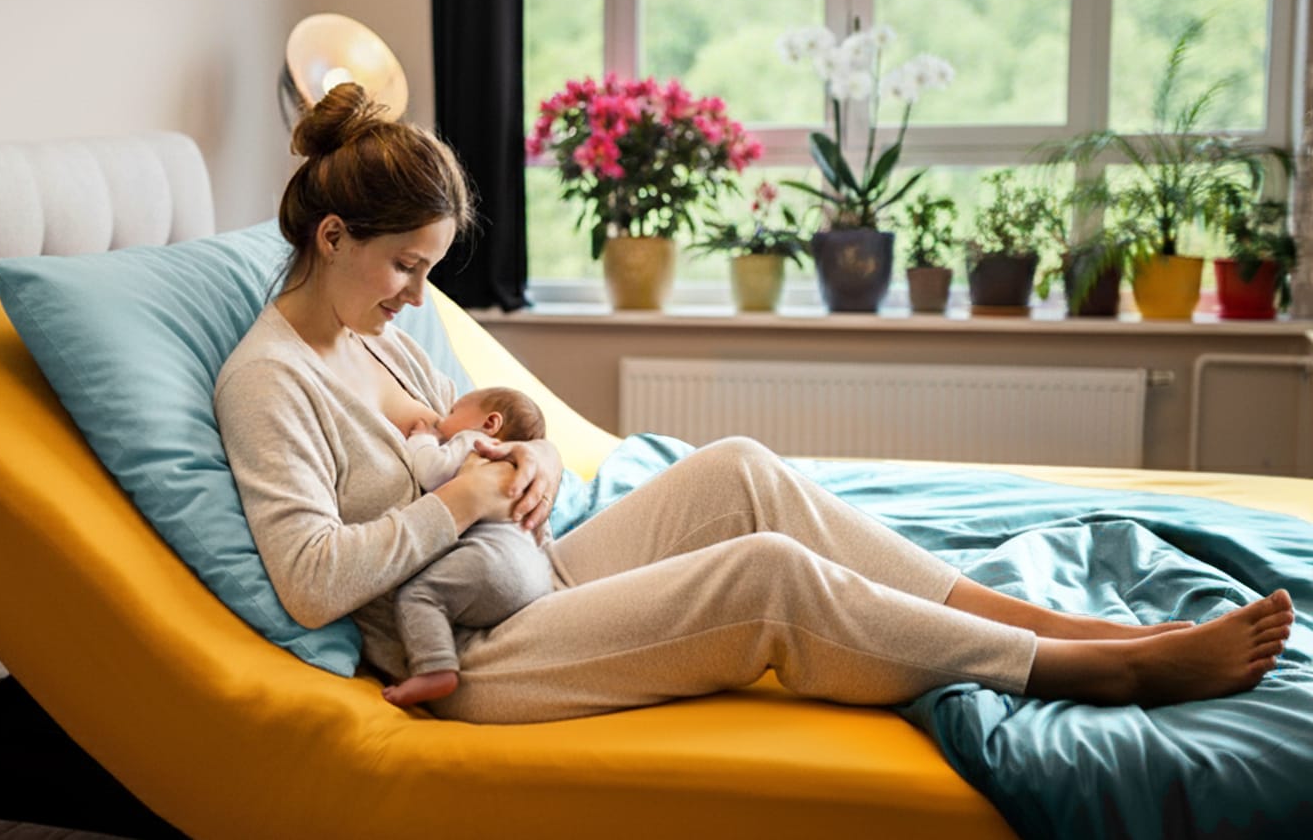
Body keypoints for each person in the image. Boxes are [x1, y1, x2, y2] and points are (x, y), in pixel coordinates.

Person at [213, 82, 1294, 724]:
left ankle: (1058, 621)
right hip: (468, 648)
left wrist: (529, 467)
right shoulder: (270, 378)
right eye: (405, 266)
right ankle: (1093, 669)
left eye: (432, 272)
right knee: (768, 577)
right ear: (333, 236)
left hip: (528, 568)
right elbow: (311, 583)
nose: (417, 296)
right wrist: (463, 502)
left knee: (741, 467)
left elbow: (479, 439)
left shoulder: (382, 336)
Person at [385, 387, 555, 708]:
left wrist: (422, 440)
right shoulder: (519, 469)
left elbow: (432, 472)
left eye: (451, 412)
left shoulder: (475, 443)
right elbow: (540, 525)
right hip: (536, 576)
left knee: (418, 595)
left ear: (490, 423)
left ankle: (435, 667)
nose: (441, 419)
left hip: (493, 563)